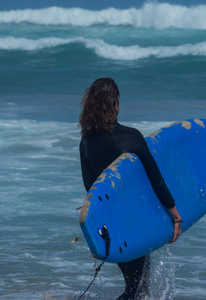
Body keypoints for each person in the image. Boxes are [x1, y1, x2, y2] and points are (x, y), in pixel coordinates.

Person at [79, 77, 182, 300]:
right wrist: (174, 213)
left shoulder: (86, 142)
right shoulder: (131, 137)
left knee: (137, 284)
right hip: (135, 221)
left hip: (112, 225)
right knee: (136, 288)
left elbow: (91, 188)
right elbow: (156, 179)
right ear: (115, 103)